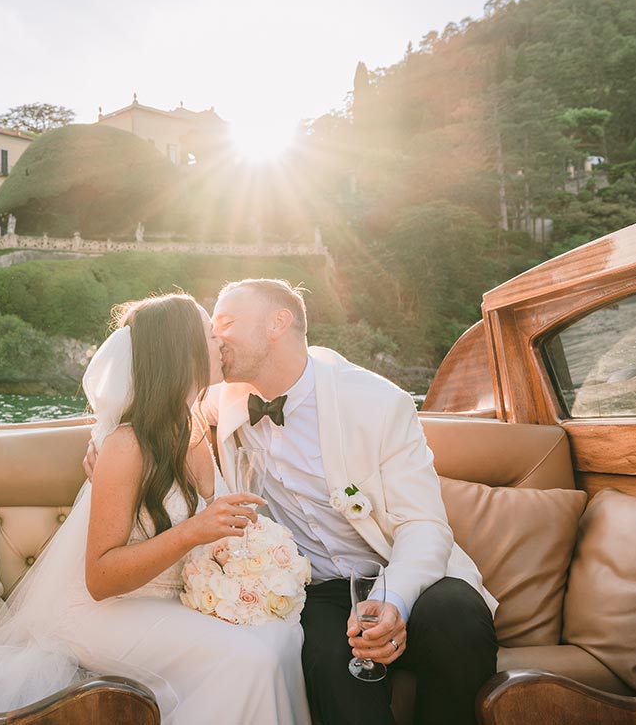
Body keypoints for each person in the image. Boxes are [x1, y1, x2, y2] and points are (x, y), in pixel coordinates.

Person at [0, 293, 310, 725]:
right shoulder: (126, 446)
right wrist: (194, 531)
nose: (221, 342)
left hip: (171, 601)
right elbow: (100, 579)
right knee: (249, 658)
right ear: (181, 351)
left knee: (281, 634)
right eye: (211, 334)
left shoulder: (190, 425)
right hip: (102, 612)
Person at [205, 278, 498, 725]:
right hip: (318, 591)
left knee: (457, 617)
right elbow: (162, 400)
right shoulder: (224, 398)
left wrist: (396, 599)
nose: (214, 337)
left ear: (277, 323)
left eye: (225, 323)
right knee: (324, 655)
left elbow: (424, 524)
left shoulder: (379, 402)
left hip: (398, 568)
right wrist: (112, 440)